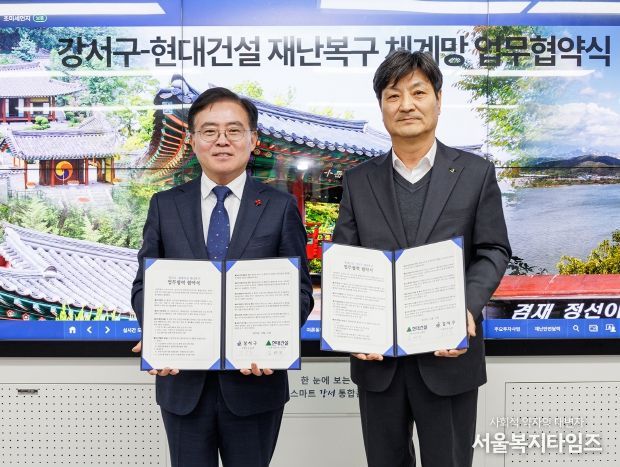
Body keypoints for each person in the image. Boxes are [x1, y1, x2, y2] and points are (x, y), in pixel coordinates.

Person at [332, 49, 511, 467]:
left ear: (439, 100)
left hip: (449, 357)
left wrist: (466, 306)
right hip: (378, 362)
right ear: (381, 107)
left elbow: (493, 250)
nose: (406, 105)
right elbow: (344, 258)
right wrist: (352, 328)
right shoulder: (358, 180)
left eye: (418, 92)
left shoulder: (475, 173)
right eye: (393, 96)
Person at [131, 87, 313, 467]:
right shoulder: (164, 205)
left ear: (253, 139)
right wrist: (157, 334)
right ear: (192, 140)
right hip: (183, 382)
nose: (222, 141)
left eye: (233, 130)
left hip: (255, 382)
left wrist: (273, 341)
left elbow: (299, 290)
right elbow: (145, 284)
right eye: (210, 131)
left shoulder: (280, 207)